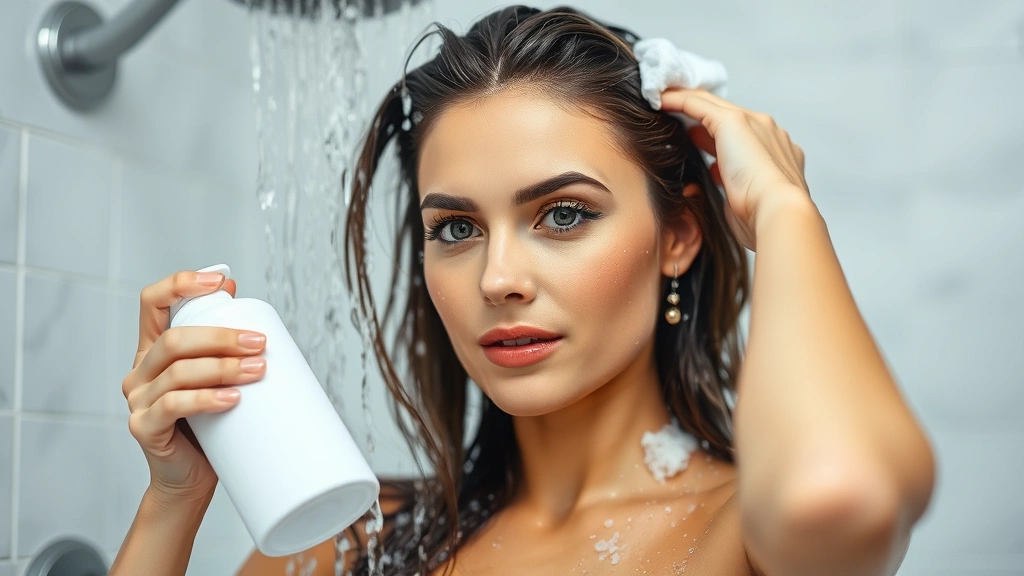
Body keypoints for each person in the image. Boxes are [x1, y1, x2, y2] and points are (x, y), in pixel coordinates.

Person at [110, 6, 935, 576]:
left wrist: (786, 212)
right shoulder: (357, 540)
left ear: (678, 237)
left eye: (564, 214)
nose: (498, 280)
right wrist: (173, 502)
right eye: (458, 229)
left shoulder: (746, 540)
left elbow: (841, 490)